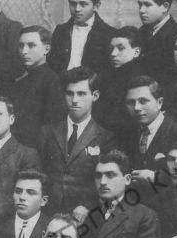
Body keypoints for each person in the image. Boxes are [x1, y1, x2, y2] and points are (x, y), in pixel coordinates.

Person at [41, 66, 116, 215]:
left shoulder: (105, 137)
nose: (74, 100)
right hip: (48, 211)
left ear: (95, 95)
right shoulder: (47, 132)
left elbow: (108, 178)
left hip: (84, 214)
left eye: (81, 94)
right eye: (70, 93)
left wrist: (87, 205)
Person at [119, 76, 177, 184]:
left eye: (143, 101)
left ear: (159, 102)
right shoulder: (126, 133)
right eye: (131, 102)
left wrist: (158, 178)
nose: (136, 108)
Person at [10, 26, 68, 148]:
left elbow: (55, 128)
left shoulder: (52, 81)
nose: (24, 51)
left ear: (46, 49)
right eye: (21, 46)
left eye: (31, 45)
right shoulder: (21, 81)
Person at [47, 0, 116, 78]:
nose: (77, 9)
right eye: (73, 4)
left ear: (96, 6)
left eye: (83, 4)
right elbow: (51, 66)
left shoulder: (110, 34)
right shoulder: (60, 31)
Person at [94, 27, 149, 133]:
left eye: (121, 48)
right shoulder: (109, 74)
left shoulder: (139, 81)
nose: (113, 53)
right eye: (111, 48)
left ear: (136, 52)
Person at [136, 0, 177, 79]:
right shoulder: (141, 32)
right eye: (140, 4)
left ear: (165, 7)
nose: (141, 10)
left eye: (147, 5)